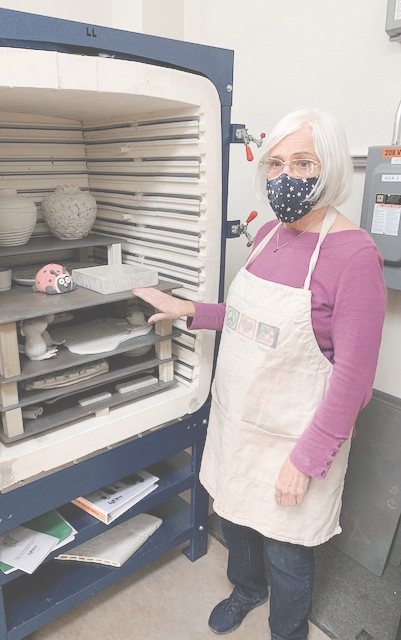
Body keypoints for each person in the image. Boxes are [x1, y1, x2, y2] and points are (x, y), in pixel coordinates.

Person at [133, 108, 386, 640]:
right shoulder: (269, 233)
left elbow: (354, 379)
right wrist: (191, 310)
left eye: (302, 162)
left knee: (286, 547)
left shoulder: (355, 254)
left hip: (297, 436)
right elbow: (251, 319)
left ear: (332, 168)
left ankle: (287, 631)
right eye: (275, 163)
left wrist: (306, 459)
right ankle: (246, 589)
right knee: (238, 521)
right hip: (241, 421)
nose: (284, 176)